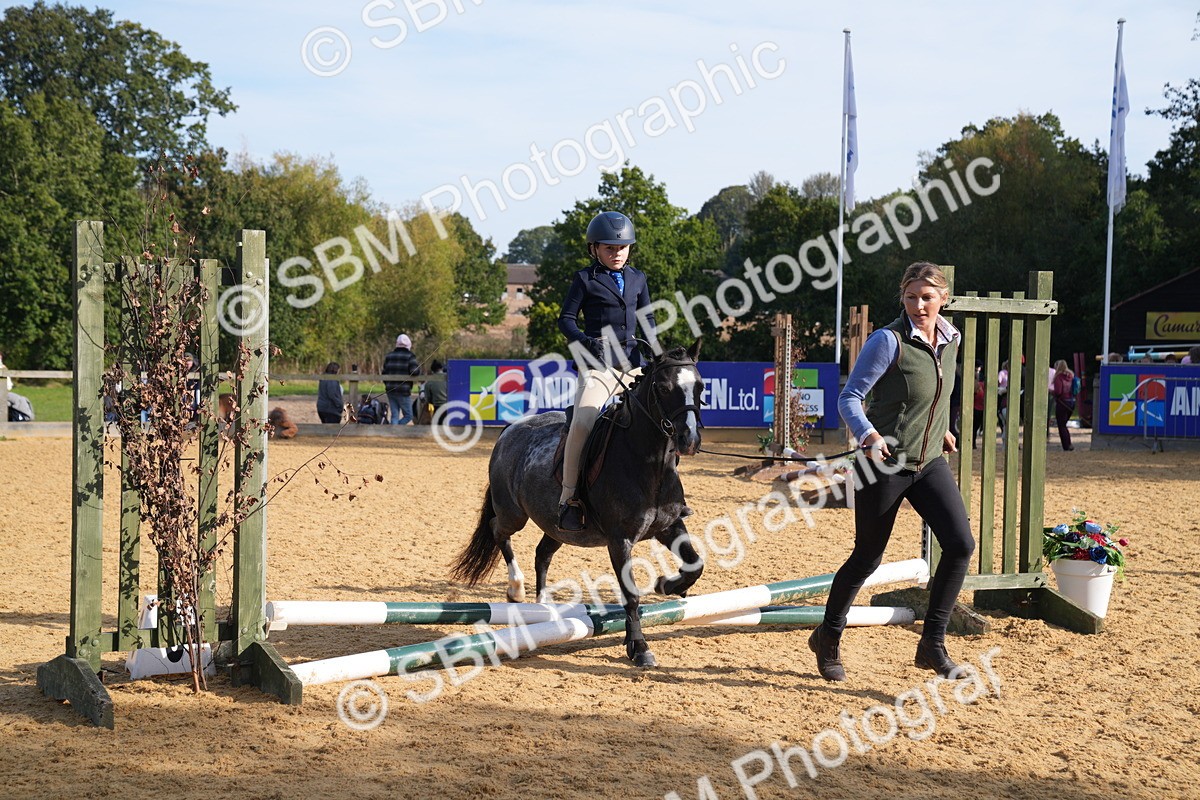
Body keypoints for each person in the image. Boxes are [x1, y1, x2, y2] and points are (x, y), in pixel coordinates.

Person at [811, 261, 974, 682]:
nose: (918, 305)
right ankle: (828, 636)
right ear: (902, 297)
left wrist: (941, 430)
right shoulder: (888, 340)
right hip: (884, 464)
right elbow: (850, 398)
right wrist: (868, 436)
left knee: (960, 545)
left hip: (929, 462)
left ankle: (932, 643)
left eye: (927, 297)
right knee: (868, 556)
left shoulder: (952, 338)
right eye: (910, 297)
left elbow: (935, 394)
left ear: (943, 299)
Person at [556, 210, 654, 532]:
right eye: (610, 248)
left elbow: (647, 320)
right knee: (583, 423)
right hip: (597, 367)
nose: (617, 253)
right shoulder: (585, 279)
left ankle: (667, 491)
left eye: (622, 248)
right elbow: (566, 320)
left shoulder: (638, 278)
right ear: (594, 248)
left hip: (631, 366)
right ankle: (569, 498)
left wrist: (655, 351)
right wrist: (586, 342)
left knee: (660, 418)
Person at [383, 334, 420, 425]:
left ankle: (393, 430)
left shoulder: (389, 356)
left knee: (394, 415)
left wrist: (387, 384)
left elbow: (384, 373)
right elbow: (414, 372)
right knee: (409, 415)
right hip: (404, 390)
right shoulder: (410, 356)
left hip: (390, 389)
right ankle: (396, 429)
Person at [1050, 360, 1076, 451]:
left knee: (1061, 426)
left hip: (1062, 403)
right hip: (1071, 402)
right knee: (1064, 424)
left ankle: (1067, 445)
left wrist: (1051, 391)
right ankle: (1069, 443)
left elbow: (1058, 391)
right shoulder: (1071, 376)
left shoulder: (1059, 377)